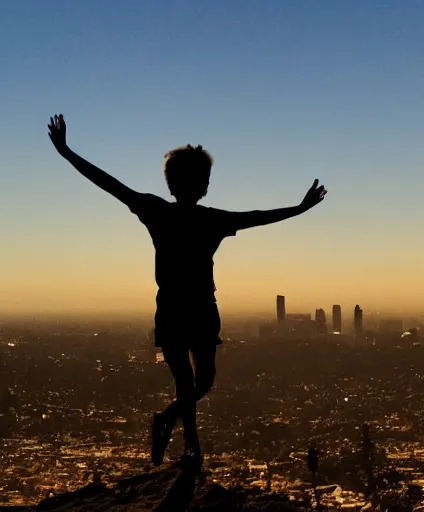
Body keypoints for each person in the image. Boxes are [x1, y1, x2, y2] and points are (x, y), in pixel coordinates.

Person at [47, 114, 327, 469]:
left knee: (192, 381)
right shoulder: (208, 219)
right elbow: (258, 216)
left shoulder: (159, 211)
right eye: (204, 179)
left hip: (176, 308)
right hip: (197, 309)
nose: (205, 185)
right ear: (200, 184)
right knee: (198, 381)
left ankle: (170, 425)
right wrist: (300, 209)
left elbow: (110, 184)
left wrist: (67, 152)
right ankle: (189, 443)